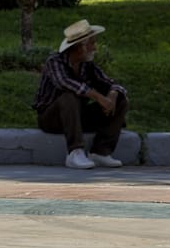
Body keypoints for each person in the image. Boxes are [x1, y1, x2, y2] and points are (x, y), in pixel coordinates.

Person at [33, 19, 129, 169]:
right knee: (69, 96)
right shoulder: (55, 61)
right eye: (92, 44)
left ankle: (100, 152)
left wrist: (112, 95)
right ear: (80, 47)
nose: (95, 48)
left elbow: (111, 83)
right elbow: (64, 83)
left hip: (77, 118)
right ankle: (75, 152)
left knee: (121, 100)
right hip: (52, 119)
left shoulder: (87, 65)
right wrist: (99, 97)